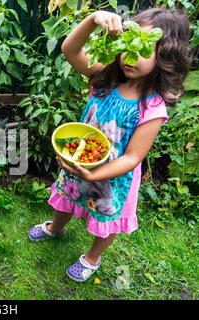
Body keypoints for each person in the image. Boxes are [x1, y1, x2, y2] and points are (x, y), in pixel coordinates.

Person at [28, 8, 191, 282]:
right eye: (126, 46)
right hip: (81, 158)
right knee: (68, 196)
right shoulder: (106, 76)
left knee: (108, 218)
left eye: (142, 49)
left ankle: (92, 257)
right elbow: (69, 50)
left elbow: (132, 158)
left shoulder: (152, 107)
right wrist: (93, 20)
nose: (130, 56)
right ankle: (55, 228)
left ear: (165, 57)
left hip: (114, 178)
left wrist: (94, 174)